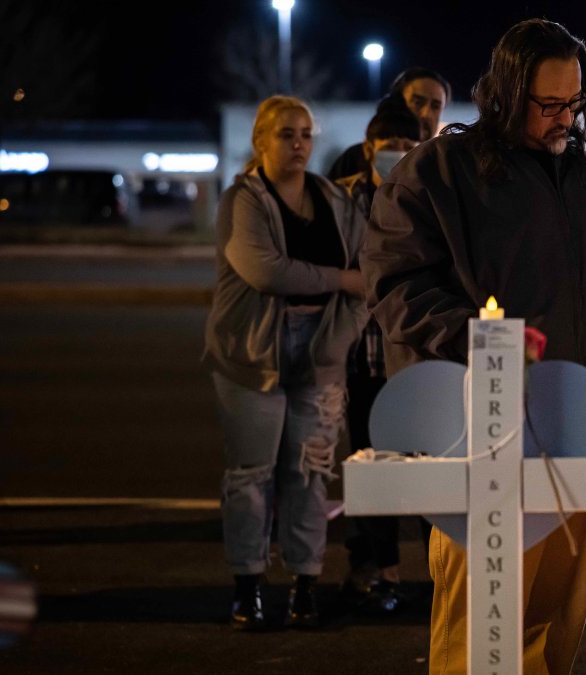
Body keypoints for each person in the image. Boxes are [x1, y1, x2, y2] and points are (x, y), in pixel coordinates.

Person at [362, 18, 586, 675]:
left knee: (556, 619)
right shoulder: (440, 172)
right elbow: (396, 286)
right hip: (482, 442)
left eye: (575, 103)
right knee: (481, 634)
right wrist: (481, 339)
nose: (565, 119)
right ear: (504, 93)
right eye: (548, 104)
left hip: (584, 440)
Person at [203, 95, 369, 631]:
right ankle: (248, 586)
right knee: (251, 475)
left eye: (305, 134)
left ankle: (304, 584)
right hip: (253, 354)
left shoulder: (334, 200)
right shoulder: (242, 200)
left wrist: (341, 339)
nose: (298, 144)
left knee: (309, 473)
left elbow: (367, 274)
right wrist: (339, 279)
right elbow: (266, 271)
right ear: (260, 141)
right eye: (285, 134)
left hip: (320, 350)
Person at [334, 93, 423, 611]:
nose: (399, 151)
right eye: (390, 142)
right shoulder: (344, 199)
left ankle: (442, 574)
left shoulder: (427, 194)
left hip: (415, 360)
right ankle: (383, 572)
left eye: (408, 143)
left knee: (430, 468)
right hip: (363, 357)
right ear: (369, 146)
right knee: (375, 466)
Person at [327, 66, 451, 181]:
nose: (426, 114)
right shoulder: (355, 160)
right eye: (418, 103)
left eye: (435, 106)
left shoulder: (444, 167)